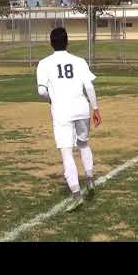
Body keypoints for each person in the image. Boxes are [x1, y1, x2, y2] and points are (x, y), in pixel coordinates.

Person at [36, 27, 102, 212]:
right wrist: (95, 108)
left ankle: (76, 193)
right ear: (67, 42)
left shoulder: (44, 63)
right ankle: (89, 178)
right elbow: (88, 87)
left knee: (66, 152)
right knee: (83, 144)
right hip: (81, 108)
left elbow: (41, 91)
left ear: (51, 43)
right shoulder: (79, 61)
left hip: (61, 111)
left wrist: (51, 98)